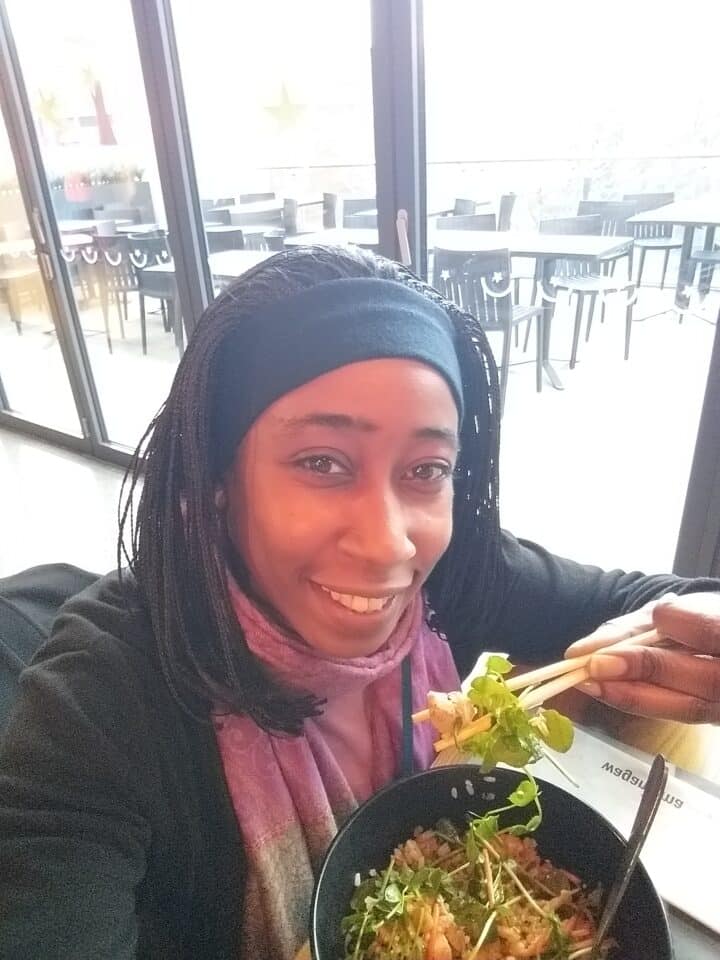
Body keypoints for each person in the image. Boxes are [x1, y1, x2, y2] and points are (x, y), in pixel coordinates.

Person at [0, 245, 718, 960]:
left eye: (425, 469)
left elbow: (650, 599)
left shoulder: (452, 583)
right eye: (322, 462)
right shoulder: (98, 702)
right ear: (218, 474)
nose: (387, 545)